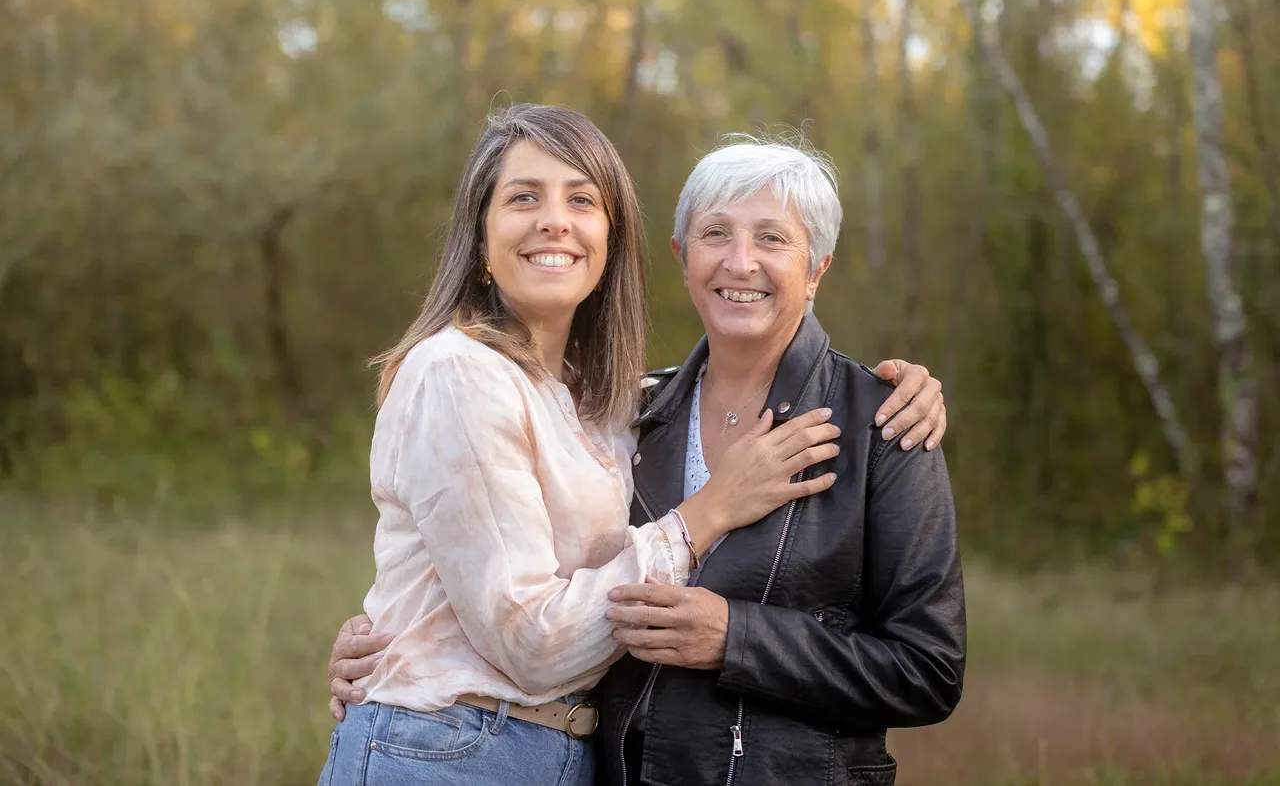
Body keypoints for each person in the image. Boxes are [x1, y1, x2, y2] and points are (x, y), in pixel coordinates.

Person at [327, 126, 960, 786]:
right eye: (717, 234)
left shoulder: (882, 424)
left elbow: (929, 668)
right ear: (682, 258)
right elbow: (502, 582)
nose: (741, 262)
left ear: (817, 267)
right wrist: (397, 638)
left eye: (772, 238)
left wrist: (736, 638)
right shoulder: (637, 416)